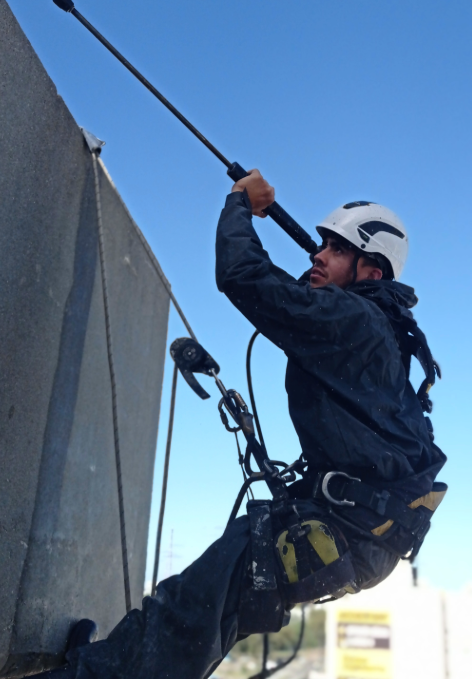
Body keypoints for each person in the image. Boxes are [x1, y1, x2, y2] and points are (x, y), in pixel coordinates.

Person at [32, 170, 447, 679]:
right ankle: (99, 667)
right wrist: (274, 224)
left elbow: (245, 278)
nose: (317, 255)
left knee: (196, 604)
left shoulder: (355, 322)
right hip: (356, 531)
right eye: (320, 245)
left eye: (336, 250)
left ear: (371, 273)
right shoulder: (369, 328)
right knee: (211, 603)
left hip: (347, 531)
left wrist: (239, 205)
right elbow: (291, 301)